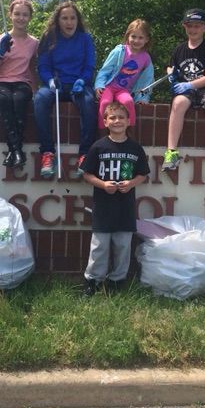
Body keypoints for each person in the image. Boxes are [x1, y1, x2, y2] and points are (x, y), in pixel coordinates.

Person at [81, 102, 150, 296]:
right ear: (105, 122)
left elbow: (143, 174)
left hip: (125, 208)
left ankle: (117, 281)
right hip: (102, 207)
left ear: (129, 121)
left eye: (121, 117)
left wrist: (130, 184)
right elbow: (87, 174)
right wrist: (103, 185)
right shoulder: (98, 147)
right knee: (99, 246)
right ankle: (93, 281)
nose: (117, 121)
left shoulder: (135, 148)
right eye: (112, 117)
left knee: (122, 245)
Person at [162, 8, 205, 181]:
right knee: (177, 104)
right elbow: (171, 66)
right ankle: (171, 152)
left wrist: (189, 84)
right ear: (185, 27)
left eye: (197, 26)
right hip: (187, 91)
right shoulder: (179, 49)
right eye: (190, 26)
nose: (193, 30)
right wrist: (171, 74)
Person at [33, 0, 97, 178]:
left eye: (73, 18)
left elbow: (89, 66)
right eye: (65, 18)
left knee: (89, 103)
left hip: (79, 85)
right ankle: (47, 153)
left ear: (78, 20)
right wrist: (49, 81)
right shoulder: (49, 38)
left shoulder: (85, 39)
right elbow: (43, 66)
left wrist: (83, 81)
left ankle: (85, 155)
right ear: (58, 20)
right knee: (39, 100)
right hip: (56, 85)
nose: (69, 22)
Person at [0, 0, 39, 169]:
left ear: (30, 17)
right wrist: (1, 53)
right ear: (10, 15)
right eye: (17, 14)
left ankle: (14, 151)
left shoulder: (34, 43)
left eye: (25, 15)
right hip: (0, 82)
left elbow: (32, 68)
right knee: (3, 99)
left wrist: (35, 88)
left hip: (21, 82)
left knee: (18, 99)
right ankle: (17, 150)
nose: (21, 18)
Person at [94, 18, 154, 129]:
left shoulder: (146, 58)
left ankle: (129, 133)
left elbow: (147, 80)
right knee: (105, 103)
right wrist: (99, 85)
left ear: (147, 39)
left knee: (128, 102)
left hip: (124, 90)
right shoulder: (119, 51)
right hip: (109, 87)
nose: (136, 40)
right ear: (127, 36)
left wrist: (143, 98)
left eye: (140, 37)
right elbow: (105, 69)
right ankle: (102, 133)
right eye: (133, 37)